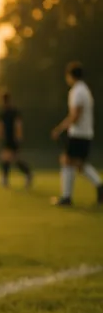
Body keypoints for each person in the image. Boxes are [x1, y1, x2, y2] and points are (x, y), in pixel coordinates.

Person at [50, 62, 103, 206]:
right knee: (79, 164)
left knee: (66, 160)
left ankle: (66, 197)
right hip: (85, 133)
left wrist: (60, 128)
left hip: (79, 134)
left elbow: (75, 115)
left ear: (70, 75)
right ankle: (99, 186)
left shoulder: (77, 91)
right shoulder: (84, 89)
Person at [0, 89, 32, 188]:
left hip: (11, 138)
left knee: (10, 158)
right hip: (10, 138)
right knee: (10, 158)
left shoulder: (9, 112)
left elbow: (16, 125)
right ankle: (24, 175)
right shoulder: (9, 111)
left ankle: (7, 179)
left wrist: (18, 136)